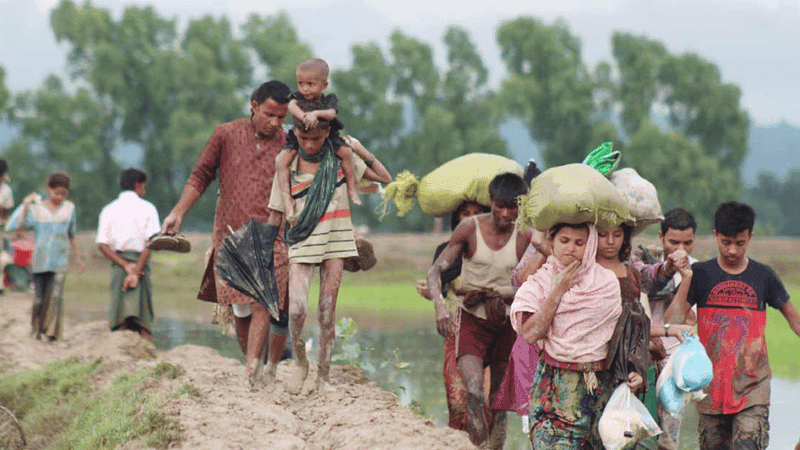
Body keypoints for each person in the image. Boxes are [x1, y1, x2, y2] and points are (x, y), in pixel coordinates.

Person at [161, 80, 292, 385]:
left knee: (262, 300)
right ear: (253, 105)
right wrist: (178, 212)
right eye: (269, 114)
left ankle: (250, 369)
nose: (274, 122)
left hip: (271, 234)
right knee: (241, 306)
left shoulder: (288, 144)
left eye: (281, 117)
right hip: (231, 233)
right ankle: (253, 364)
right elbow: (201, 174)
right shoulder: (226, 134)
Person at [266, 110, 391, 394]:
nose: (310, 144)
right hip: (301, 241)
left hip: (336, 241)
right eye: (303, 138)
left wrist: (358, 148)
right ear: (294, 135)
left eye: (317, 138)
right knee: (296, 309)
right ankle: (301, 362)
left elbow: (383, 177)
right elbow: (275, 214)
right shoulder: (287, 167)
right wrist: (263, 251)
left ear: (327, 136)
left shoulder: (340, 161)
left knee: (326, 312)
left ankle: (323, 375)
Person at [666, 201, 800, 450]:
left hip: (752, 388)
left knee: (748, 444)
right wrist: (686, 280)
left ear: (750, 237)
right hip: (709, 389)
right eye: (725, 242)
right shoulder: (701, 274)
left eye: (740, 243)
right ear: (715, 234)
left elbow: (794, 320)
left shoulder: (764, 276)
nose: (732, 250)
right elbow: (671, 321)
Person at [510, 222, 643, 449]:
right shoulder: (538, 284)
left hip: (601, 389)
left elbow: (623, 334)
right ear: (551, 242)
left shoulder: (606, 282)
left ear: (590, 245)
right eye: (564, 241)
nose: (571, 248)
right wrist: (559, 290)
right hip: (554, 388)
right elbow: (531, 333)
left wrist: (635, 368)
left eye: (579, 243)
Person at [427, 172, 532, 449]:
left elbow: (534, 283)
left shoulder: (525, 237)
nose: (505, 213)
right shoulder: (468, 229)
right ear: (490, 201)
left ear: (521, 207)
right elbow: (436, 271)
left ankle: (494, 444)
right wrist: (440, 305)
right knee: (473, 392)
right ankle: (479, 447)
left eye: (513, 207)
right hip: (472, 319)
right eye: (500, 205)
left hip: (506, 320)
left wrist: (508, 296)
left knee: (497, 398)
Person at [415, 200, 488, 431]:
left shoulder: (496, 252)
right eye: (465, 213)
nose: (470, 219)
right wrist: (434, 295)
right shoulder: (445, 252)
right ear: (456, 218)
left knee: (486, 405)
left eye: (477, 214)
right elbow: (441, 286)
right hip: (455, 339)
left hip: (490, 336)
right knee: (457, 402)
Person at [638, 207, 700, 450]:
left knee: (668, 438)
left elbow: (679, 318)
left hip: (673, 358)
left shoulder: (696, 270)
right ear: (661, 237)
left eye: (687, 243)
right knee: (638, 430)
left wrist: (685, 279)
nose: (680, 250)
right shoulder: (645, 262)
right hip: (642, 356)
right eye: (673, 242)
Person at [6, 172, 85, 341]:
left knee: (56, 297)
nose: (60, 197)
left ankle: (52, 333)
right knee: (39, 299)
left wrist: (78, 256)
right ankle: (37, 329)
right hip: (40, 260)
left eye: (64, 194)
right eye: (57, 193)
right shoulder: (36, 208)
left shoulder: (70, 209)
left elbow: (71, 234)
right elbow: (15, 226)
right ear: (49, 189)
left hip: (60, 260)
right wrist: (25, 205)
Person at [276, 58, 359, 220]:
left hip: (326, 134)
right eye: (301, 84)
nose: (305, 89)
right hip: (300, 133)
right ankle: (287, 197)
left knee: (346, 153)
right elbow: (291, 107)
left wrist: (315, 114)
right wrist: (303, 116)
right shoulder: (297, 97)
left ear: (324, 85)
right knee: (280, 161)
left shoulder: (329, 100)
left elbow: (331, 114)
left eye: (310, 84)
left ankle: (352, 188)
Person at [96, 168, 160, 341]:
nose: (144, 191)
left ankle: (119, 352)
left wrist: (126, 267)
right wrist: (137, 270)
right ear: (137, 185)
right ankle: (147, 355)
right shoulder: (148, 208)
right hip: (141, 265)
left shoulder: (108, 209)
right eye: (143, 187)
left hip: (119, 266)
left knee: (120, 316)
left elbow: (102, 244)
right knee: (143, 318)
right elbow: (152, 242)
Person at [0, 159, 15, 295]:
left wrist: (2, 210)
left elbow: (7, 213)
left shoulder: (6, 190)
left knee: (4, 258)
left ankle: (2, 286)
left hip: (1, 228)